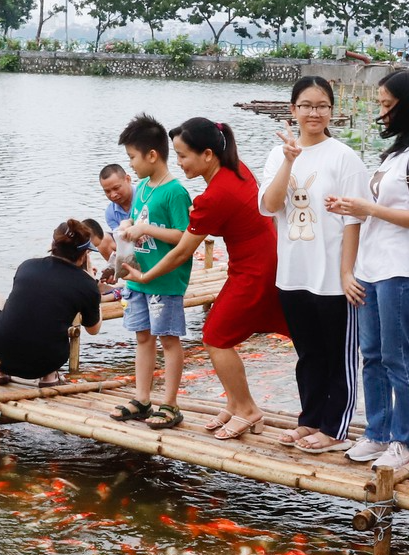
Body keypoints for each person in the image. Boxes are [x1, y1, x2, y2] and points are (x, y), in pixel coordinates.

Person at [120, 118, 286, 440]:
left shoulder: (215, 196)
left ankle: (248, 409)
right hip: (255, 263)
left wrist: (146, 275)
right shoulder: (236, 169)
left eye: (183, 156)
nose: (178, 162)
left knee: (215, 336)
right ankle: (237, 405)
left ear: (207, 154)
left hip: (256, 269)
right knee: (217, 334)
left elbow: (182, 252)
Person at [323, 71, 409, 471]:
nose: (381, 112)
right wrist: (349, 207)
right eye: (379, 103)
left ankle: (405, 440)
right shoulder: (395, 154)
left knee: (397, 356)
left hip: (399, 268)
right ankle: (377, 433)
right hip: (371, 267)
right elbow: (375, 210)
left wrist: (368, 208)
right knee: (371, 354)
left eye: (386, 104)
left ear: (406, 105)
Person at [258, 77, 367, 453]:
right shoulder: (278, 154)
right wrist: (289, 161)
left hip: (333, 275)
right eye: (306, 105)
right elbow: (270, 206)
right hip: (293, 272)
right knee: (308, 353)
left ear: (331, 111)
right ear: (293, 110)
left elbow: (355, 220)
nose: (314, 113)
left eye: (322, 105)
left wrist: (347, 272)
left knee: (338, 354)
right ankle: (310, 420)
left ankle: (335, 428)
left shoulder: (344, 156)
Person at [111, 113, 194, 429]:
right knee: (142, 338)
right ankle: (142, 398)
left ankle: (170, 404)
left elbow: (183, 236)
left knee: (169, 340)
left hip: (165, 279)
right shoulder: (143, 187)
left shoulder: (175, 192)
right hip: (137, 279)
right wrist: (129, 225)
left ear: (152, 155)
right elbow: (136, 220)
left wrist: (146, 227)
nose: (130, 164)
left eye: (132, 157)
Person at [0, 219, 102, 383]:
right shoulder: (87, 285)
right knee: (50, 319)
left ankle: (0, 372)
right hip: (45, 362)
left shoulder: (27, 266)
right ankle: (49, 376)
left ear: (53, 245)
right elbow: (94, 329)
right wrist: (92, 284)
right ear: (84, 255)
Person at [97, 163, 136, 263]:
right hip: (131, 244)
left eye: (116, 188)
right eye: (107, 191)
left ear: (127, 179)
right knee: (102, 239)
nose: (113, 195)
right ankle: (121, 271)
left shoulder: (144, 197)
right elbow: (121, 240)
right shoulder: (110, 213)